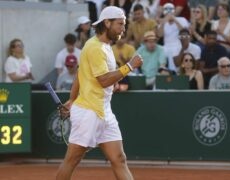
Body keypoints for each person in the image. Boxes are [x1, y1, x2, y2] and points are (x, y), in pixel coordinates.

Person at [56, 6, 143, 180]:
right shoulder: (94, 47)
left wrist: (72, 100)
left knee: (119, 158)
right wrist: (130, 66)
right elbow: (103, 80)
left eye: (124, 24)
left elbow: (80, 78)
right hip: (89, 112)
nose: (123, 29)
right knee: (72, 159)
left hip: (104, 112)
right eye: (120, 24)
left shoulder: (104, 46)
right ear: (107, 22)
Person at [157, 3, 189, 72]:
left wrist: (175, 20)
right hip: (166, 46)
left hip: (178, 45)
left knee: (175, 53)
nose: (169, 14)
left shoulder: (181, 19)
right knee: (160, 52)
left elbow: (184, 32)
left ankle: (175, 72)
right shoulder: (163, 22)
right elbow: (159, 35)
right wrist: (163, 22)